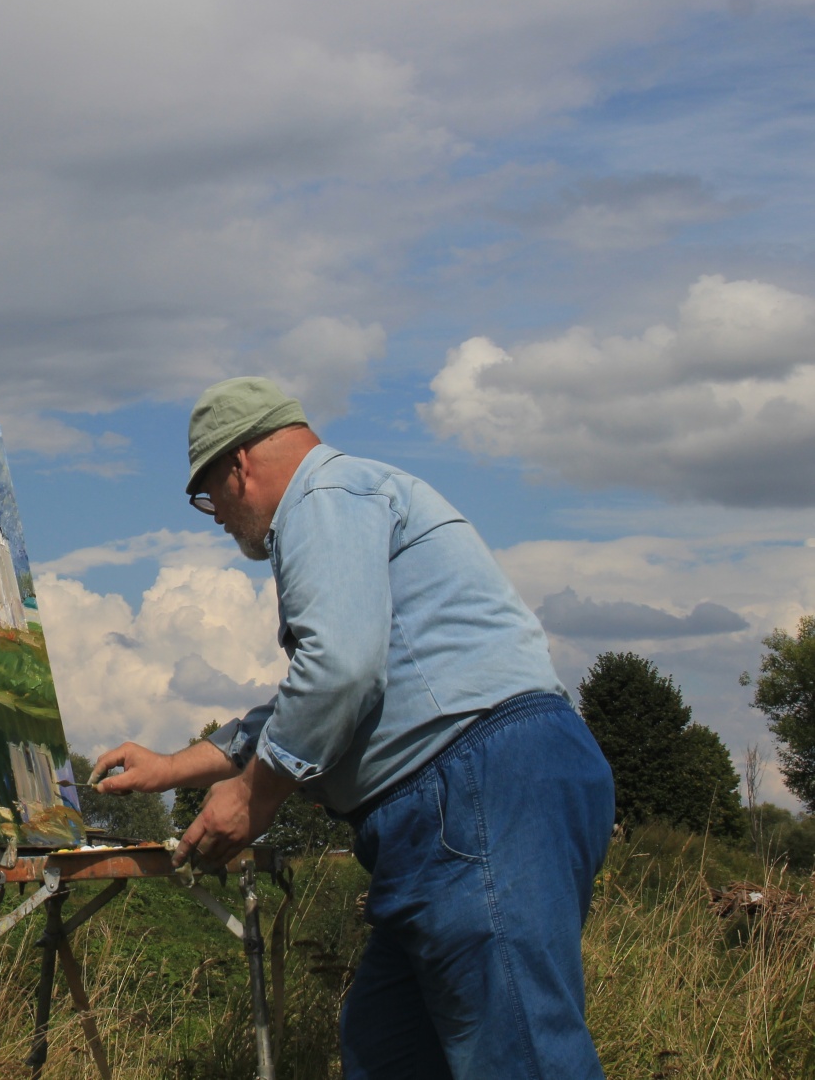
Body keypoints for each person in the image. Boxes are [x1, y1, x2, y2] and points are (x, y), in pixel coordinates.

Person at [92, 377, 614, 1080]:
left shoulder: (320, 499)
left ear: (239, 463)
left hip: (474, 790)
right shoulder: (356, 495)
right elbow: (328, 685)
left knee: (518, 1053)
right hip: (473, 793)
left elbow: (339, 668)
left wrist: (255, 794)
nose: (215, 517)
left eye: (209, 495)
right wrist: (172, 766)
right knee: (386, 1048)